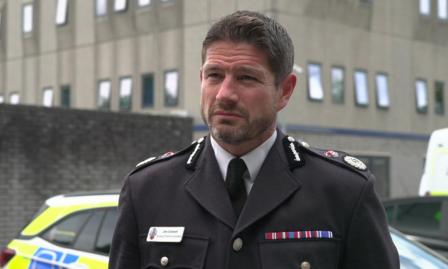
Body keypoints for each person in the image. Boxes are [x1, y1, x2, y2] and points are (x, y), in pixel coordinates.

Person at [109, 10, 399, 269]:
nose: (224, 94)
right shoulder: (147, 190)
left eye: (246, 78)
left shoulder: (344, 192)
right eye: (214, 75)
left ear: (284, 91)